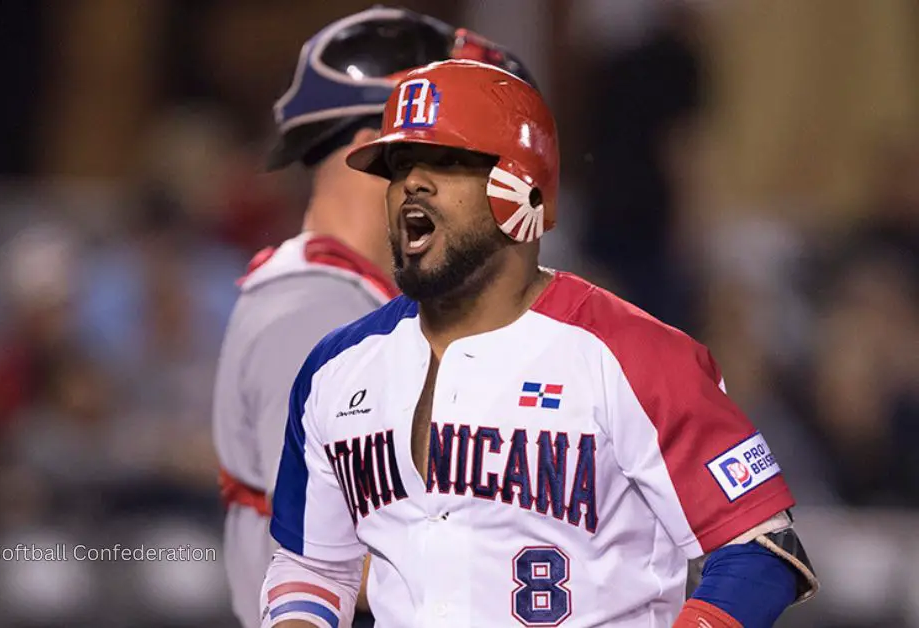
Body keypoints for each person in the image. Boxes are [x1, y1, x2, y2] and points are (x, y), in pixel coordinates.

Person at [258, 59, 819, 628]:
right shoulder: (336, 369)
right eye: (400, 165)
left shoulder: (634, 356)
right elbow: (313, 567)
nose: (412, 183)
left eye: (447, 161)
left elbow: (762, 553)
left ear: (521, 188)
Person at [211, 8, 535, 627]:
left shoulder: (353, 293)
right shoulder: (312, 308)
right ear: (373, 153)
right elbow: (329, 553)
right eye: (452, 149)